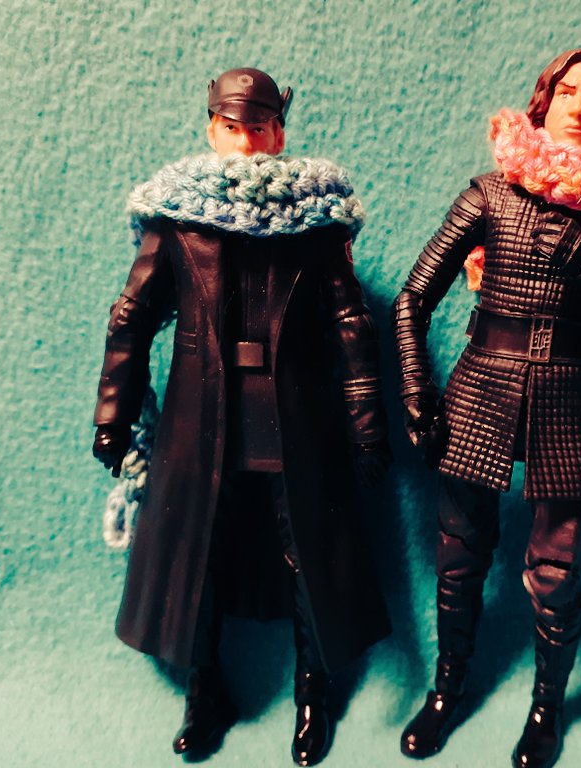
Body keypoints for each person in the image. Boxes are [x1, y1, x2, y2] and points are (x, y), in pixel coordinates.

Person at [92, 67, 392, 766]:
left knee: (308, 559)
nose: (248, 143)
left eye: (259, 128)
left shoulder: (316, 221)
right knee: (198, 559)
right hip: (201, 423)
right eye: (234, 128)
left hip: (297, 420)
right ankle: (206, 692)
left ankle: (313, 690)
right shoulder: (176, 216)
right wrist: (114, 412)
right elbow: (132, 317)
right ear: (212, 129)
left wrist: (366, 421)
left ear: (279, 133)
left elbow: (350, 324)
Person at [393, 49, 581, 768]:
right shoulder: (493, 193)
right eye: (568, 91)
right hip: (482, 385)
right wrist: (415, 386)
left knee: (554, 575)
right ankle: (446, 691)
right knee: (459, 558)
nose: (579, 106)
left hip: (571, 396)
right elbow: (413, 299)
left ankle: (547, 708)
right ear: (543, 100)